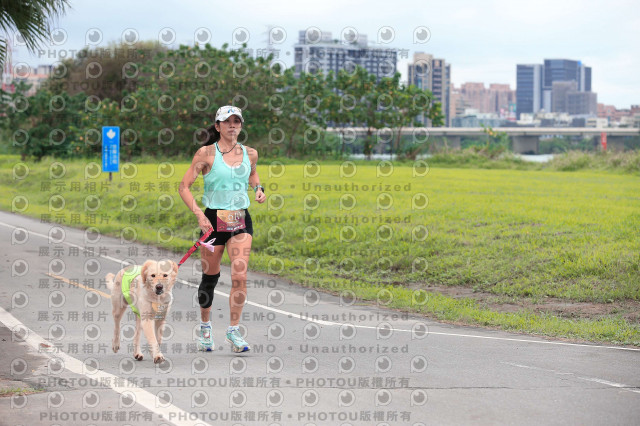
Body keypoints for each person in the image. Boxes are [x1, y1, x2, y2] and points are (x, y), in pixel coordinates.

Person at [179, 105, 266, 353]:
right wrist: (199, 214)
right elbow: (184, 187)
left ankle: (233, 331)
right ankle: (205, 327)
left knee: (240, 275)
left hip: (240, 219)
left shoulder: (250, 153)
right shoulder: (205, 153)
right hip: (213, 220)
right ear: (217, 126)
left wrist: (259, 189)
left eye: (236, 121)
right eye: (227, 122)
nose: (232, 125)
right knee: (210, 278)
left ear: (241, 125)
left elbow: (253, 174)